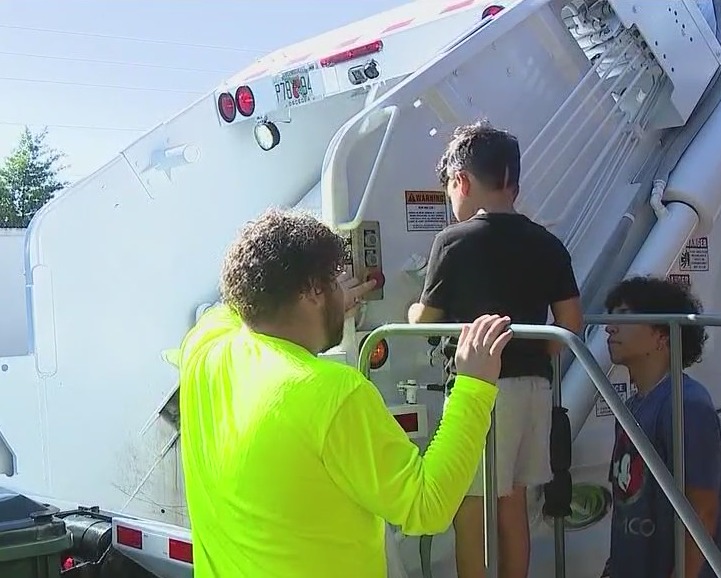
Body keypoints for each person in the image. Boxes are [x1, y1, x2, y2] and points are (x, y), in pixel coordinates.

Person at [177, 208, 514, 578]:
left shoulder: (204, 348)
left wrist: (327, 302)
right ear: (311, 292)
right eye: (335, 283)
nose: (343, 291)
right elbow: (426, 506)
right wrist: (473, 386)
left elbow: (239, 302)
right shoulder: (333, 393)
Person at [408, 121, 584, 578]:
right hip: (534, 390)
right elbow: (570, 325)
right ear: (514, 184)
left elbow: (426, 322)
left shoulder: (453, 241)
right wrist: (532, 358)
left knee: (471, 510)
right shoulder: (549, 244)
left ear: (461, 181)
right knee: (513, 506)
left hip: (480, 394)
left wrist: (409, 313)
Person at [600, 276, 721, 578]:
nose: (609, 327)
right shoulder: (632, 406)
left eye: (625, 316)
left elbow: (702, 511)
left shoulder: (687, 405)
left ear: (663, 336)